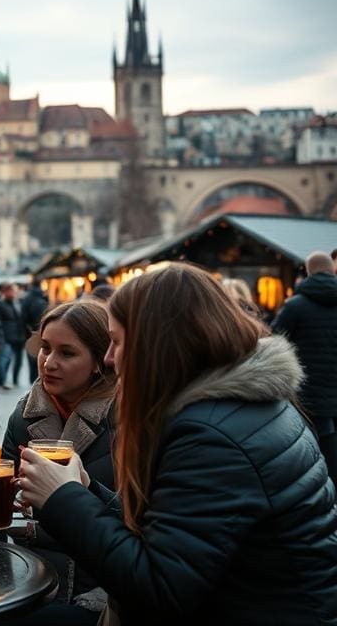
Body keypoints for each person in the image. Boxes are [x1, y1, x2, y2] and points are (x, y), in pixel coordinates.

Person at [18, 263, 337, 625]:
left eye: (118, 342)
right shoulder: (235, 410)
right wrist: (88, 492)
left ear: (156, 345)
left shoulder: (211, 437)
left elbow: (159, 589)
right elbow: (175, 538)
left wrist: (63, 499)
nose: (109, 358)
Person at [2, 300, 116, 623]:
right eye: (45, 348)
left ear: (98, 360)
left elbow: (128, 520)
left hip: (103, 586)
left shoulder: (125, 418)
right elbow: (7, 506)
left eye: (67, 353)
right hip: (34, 577)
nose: (48, 363)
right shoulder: (24, 416)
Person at [272, 251, 337, 484]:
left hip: (309, 391)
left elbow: (275, 340)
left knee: (316, 448)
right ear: (332, 270)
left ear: (308, 271)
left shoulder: (295, 306)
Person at [0, 281, 26, 389]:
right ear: (6, 291)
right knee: (4, 360)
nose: (14, 293)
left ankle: (15, 380)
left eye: (15, 291)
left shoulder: (18, 303)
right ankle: (1, 381)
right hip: (6, 337)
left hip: (19, 337)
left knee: (19, 360)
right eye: (12, 290)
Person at [20, 277, 49, 384]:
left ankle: (33, 384)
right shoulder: (43, 298)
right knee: (42, 358)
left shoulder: (27, 299)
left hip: (30, 333)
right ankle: (39, 383)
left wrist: (26, 334)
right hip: (42, 333)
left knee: (32, 360)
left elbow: (23, 318)